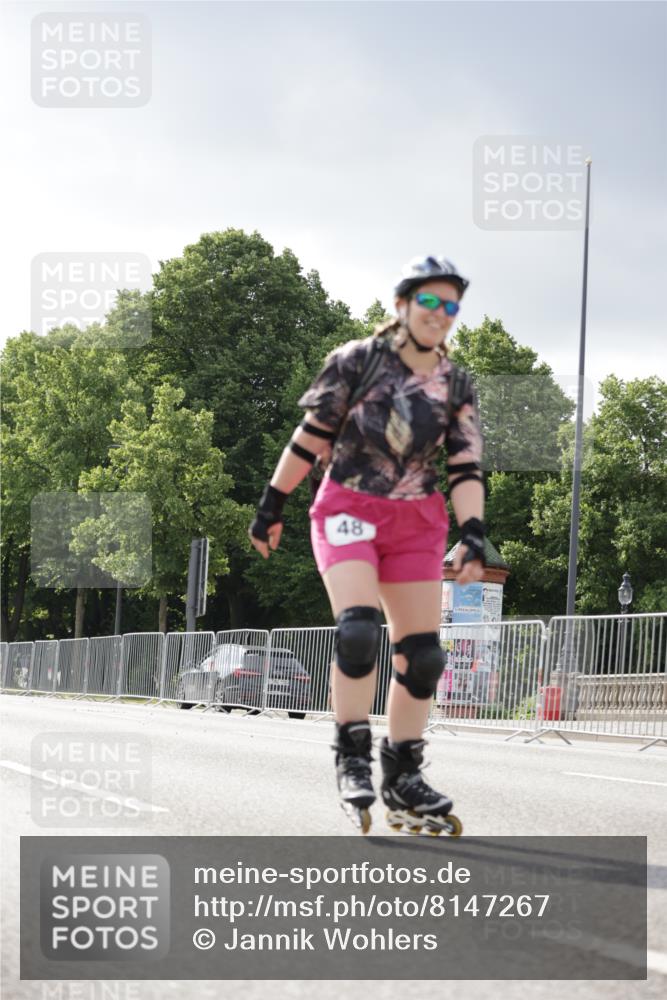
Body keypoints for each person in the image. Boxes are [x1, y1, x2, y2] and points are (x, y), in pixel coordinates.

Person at [249, 255, 485, 835]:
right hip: (349, 508)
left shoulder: (455, 383)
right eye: (429, 301)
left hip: (417, 521)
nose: (440, 313)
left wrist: (474, 532)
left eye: (450, 305)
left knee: (423, 654)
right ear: (403, 304)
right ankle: (351, 755)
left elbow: (465, 464)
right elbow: (312, 436)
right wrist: (271, 503)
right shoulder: (358, 360)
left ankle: (403, 771)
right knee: (357, 631)